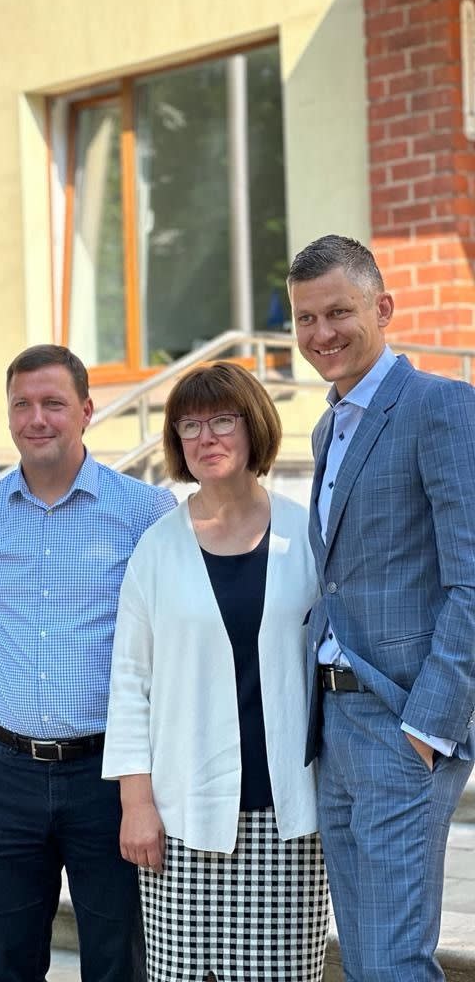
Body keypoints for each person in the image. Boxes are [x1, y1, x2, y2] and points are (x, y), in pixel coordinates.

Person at [0, 343, 176, 982]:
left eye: (53, 403)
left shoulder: (145, 513)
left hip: (110, 778)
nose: (36, 418)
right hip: (2, 775)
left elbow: (167, 633)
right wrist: (18, 683)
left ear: (86, 410)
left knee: (119, 963)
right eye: (22, 404)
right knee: (7, 964)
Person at [102, 361, 329, 982]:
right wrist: (136, 803)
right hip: (185, 817)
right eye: (189, 426)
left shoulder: (305, 533)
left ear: (253, 426)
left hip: (288, 815)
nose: (205, 437)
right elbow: (130, 682)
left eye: (222, 420)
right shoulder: (158, 546)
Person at [287, 234, 475, 982]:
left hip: (401, 723)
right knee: (364, 960)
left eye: (339, 312)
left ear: (383, 308)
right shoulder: (330, 424)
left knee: (394, 962)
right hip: (334, 727)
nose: (321, 334)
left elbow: (472, 580)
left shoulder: (441, 407)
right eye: (305, 319)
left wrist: (429, 726)